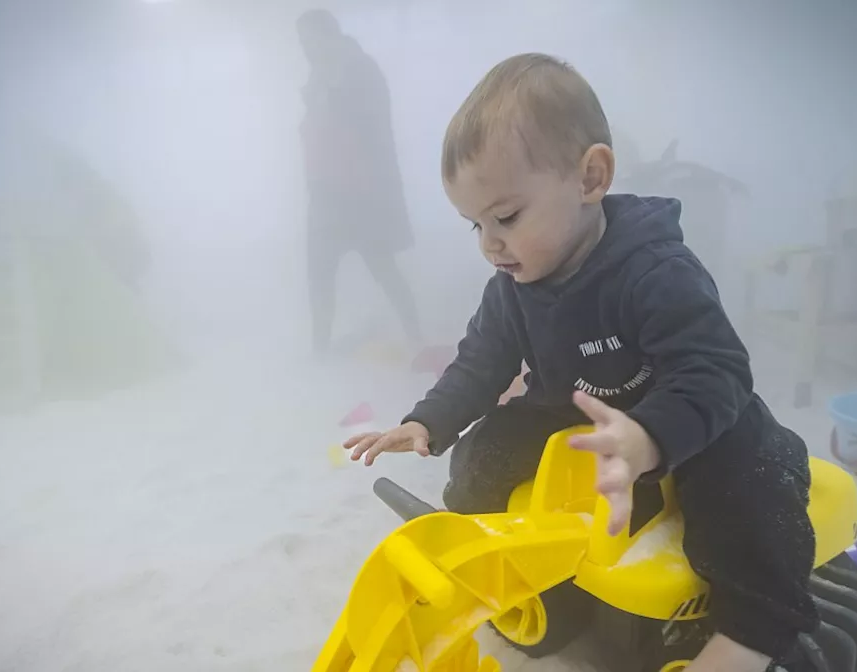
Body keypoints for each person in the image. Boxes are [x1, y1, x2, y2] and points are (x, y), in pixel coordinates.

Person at [342, 54, 819, 671]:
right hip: (573, 416)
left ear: (590, 178)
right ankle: (501, 561)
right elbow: (481, 362)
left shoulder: (654, 271)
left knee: (754, 467)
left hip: (680, 415)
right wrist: (427, 421)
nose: (490, 243)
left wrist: (649, 436)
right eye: (475, 225)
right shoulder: (513, 286)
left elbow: (716, 369)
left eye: (507, 216)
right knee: (486, 449)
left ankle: (754, 631)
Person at [296, 9, 423, 355]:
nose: (305, 47)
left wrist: (335, 100)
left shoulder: (360, 69)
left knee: (382, 267)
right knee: (319, 274)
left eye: (310, 39)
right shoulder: (318, 76)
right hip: (325, 192)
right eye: (301, 41)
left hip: (359, 194)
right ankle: (319, 351)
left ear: (329, 35)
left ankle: (415, 336)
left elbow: (373, 127)